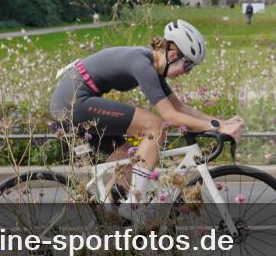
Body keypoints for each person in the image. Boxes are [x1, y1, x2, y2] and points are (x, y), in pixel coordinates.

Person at [49, 19, 244, 224]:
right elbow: (169, 116)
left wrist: (220, 121)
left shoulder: (151, 65)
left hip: (76, 102)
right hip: (73, 102)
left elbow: (180, 108)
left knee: (128, 165)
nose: (187, 72)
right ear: (172, 55)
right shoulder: (141, 64)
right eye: (188, 65)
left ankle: (109, 225)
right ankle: (134, 204)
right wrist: (219, 127)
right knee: (156, 126)